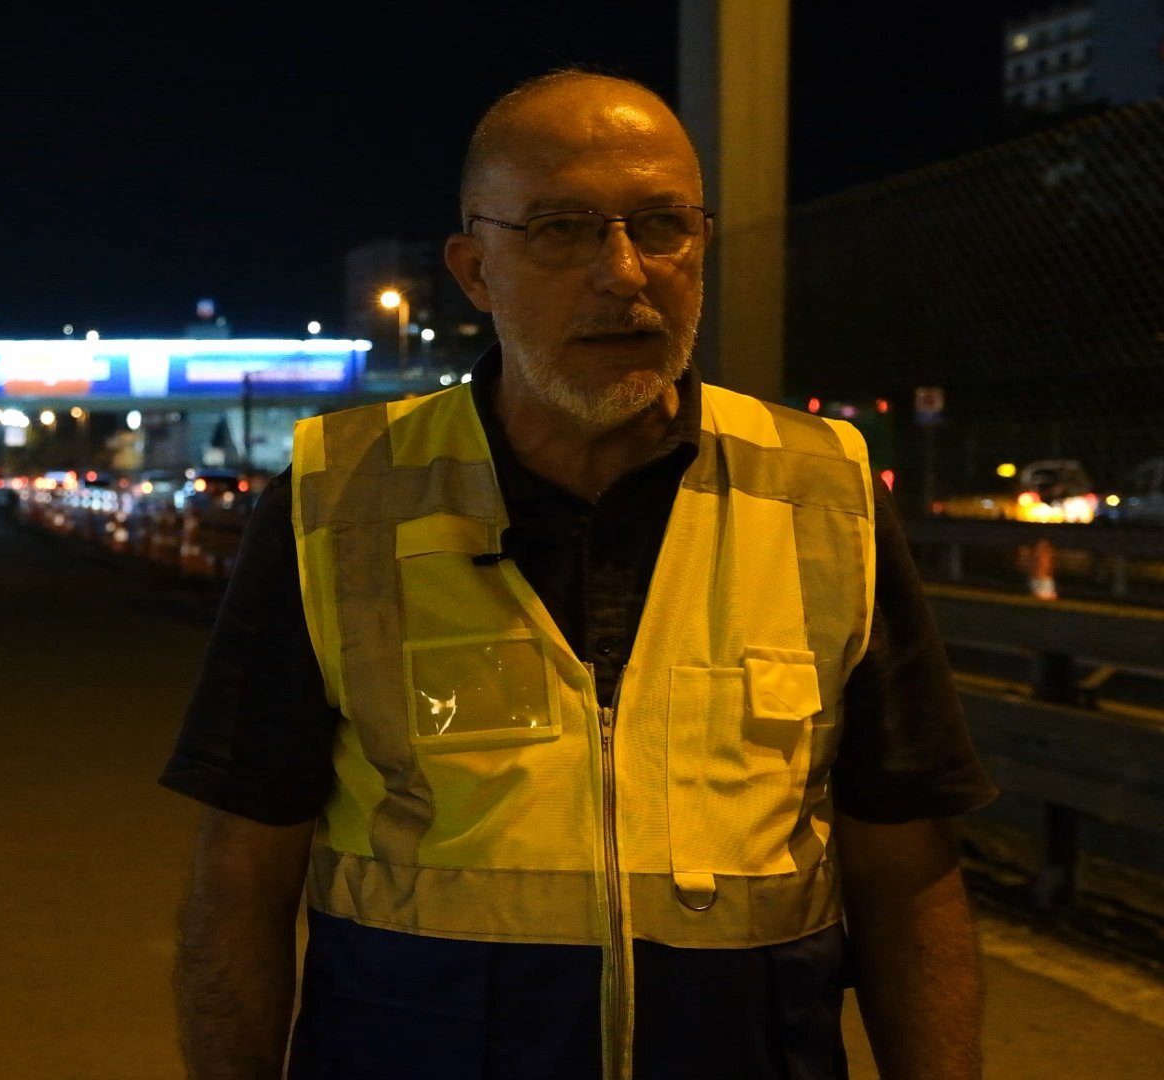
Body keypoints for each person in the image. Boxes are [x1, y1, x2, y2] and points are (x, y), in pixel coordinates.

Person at [161, 70, 996, 1080]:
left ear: (703, 245)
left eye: (662, 226)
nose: (624, 272)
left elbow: (907, 871)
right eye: (561, 230)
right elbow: (241, 878)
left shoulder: (827, 491)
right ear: (474, 271)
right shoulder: (340, 499)